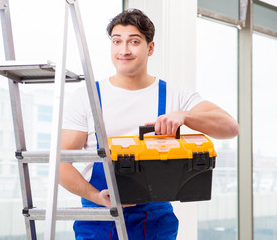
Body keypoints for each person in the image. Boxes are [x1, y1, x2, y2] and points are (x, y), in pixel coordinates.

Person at [60, 8, 239, 240]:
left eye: (134, 41)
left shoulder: (174, 95)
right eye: (117, 42)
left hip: (155, 222)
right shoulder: (88, 96)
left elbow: (230, 127)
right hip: (99, 219)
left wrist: (185, 116)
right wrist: (96, 196)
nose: (124, 50)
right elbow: (61, 165)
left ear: (150, 47)